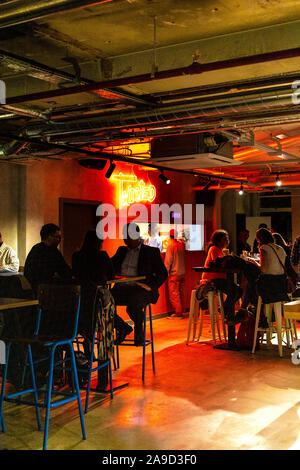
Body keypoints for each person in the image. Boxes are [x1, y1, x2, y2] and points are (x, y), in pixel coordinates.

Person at [111, 222, 168, 346]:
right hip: (122, 287)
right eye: (123, 236)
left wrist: (150, 286)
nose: (124, 239)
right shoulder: (121, 251)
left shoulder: (151, 252)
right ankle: (123, 327)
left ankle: (139, 332)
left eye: (126, 236)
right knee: (102, 301)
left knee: (134, 303)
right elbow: (110, 267)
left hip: (141, 289)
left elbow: (162, 274)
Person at [201, 229, 242, 339]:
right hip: (212, 279)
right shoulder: (214, 249)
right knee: (235, 291)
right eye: (225, 238)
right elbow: (218, 264)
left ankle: (225, 309)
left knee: (238, 290)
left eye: (227, 238)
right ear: (218, 240)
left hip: (220, 279)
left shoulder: (220, 250)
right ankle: (226, 311)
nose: (227, 240)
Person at [24, 223, 72, 293]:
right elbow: (64, 271)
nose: (59, 240)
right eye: (57, 237)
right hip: (44, 290)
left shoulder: (35, 248)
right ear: (48, 236)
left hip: (34, 289)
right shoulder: (52, 251)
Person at [255, 228, 289, 316]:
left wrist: (254, 262)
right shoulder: (280, 248)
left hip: (269, 284)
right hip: (281, 284)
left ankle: (260, 316)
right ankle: (267, 316)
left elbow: (263, 269)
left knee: (251, 288)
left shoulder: (264, 248)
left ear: (259, 239)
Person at [164, 228, 186, 318]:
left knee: (174, 294)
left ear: (170, 236)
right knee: (181, 293)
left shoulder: (170, 246)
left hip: (174, 273)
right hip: (182, 272)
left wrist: (166, 272)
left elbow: (168, 260)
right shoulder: (181, 245)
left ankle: (178, 312)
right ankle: (182, 310)